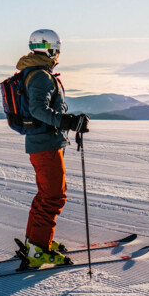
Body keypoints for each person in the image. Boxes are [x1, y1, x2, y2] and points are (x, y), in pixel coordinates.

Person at [13, 29, 89, 269]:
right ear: (50, 49)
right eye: (57, 48)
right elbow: (38, 109)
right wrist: (67, 122)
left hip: (42, 143)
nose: (58, 53)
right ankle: (37, 250)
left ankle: (34, 243)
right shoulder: (41, 76)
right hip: (45, 145)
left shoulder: (35, 72)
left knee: (46, 195)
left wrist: (66, 121)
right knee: (54, 196)